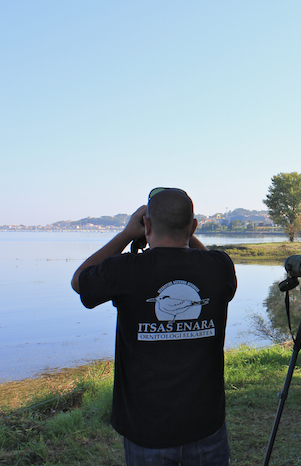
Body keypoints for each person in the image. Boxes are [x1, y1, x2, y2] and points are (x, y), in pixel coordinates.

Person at [71, 188, 237, 466]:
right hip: (206, 425)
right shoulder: (218, 266)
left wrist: (126, 234)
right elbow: (206, 262)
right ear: (193, 226)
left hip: (146, 428)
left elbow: (80, 281)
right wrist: (184, 232)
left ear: (146, 225)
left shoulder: (124, 269)